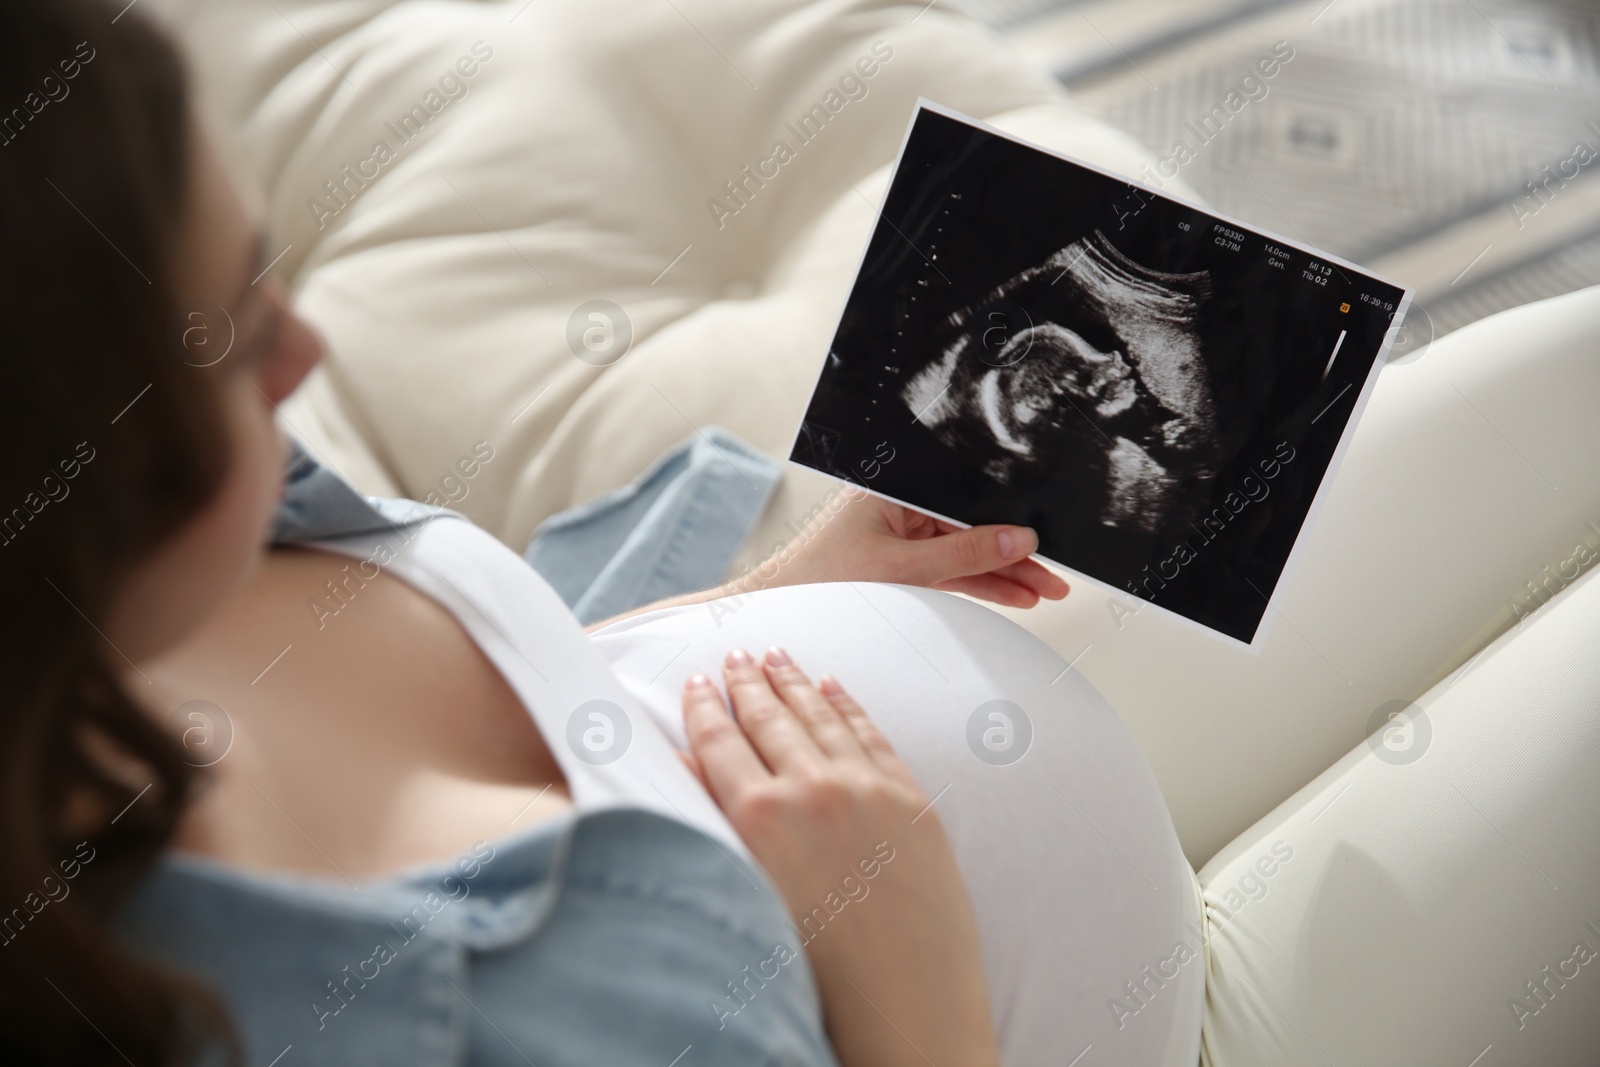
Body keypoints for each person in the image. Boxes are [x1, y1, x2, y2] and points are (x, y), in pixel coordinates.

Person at [0, 3, 1199, 1065]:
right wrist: (922, 1010)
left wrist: (770, 595)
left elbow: (530, 707)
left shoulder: (196, 558)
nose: (305, 354)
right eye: (236, 343)